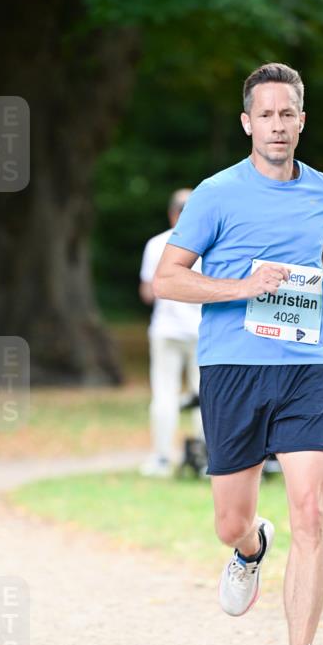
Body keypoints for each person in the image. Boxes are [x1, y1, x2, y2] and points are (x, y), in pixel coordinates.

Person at [153, 63, 323, 645]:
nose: (277, 125)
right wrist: (242, 287)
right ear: (247, 123)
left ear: (301, 120)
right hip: (232, 368)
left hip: (305, 366)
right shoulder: (216, 194)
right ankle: (250, 549)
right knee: (230, 521)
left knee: (312, 511)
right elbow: (167, 279)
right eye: (265, 115)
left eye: (287, 114)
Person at [139, 189, 203, 477]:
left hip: (166, 329)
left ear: (172, 213)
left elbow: (148, 292)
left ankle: (162, 458)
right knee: (205, 395)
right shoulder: (209, 244)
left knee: (164, 394)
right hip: (202, 330)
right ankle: (206, 456)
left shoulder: (156, 244)